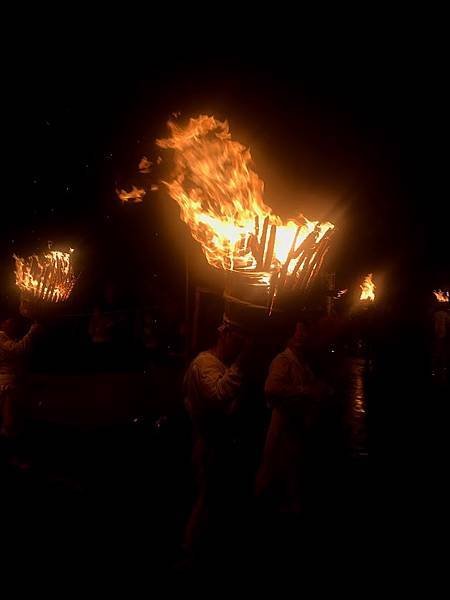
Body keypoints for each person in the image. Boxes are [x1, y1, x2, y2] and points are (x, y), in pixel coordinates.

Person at [183, 316, 251, 554]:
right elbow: (217, 394)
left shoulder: (218, 364)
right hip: (208, 445)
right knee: (205, 502)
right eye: (238, 339)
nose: (240, 345)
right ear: (224, 334)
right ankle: (189, 555)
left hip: (216, 444)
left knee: (214, 505)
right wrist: (243, 362)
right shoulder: (204, 364)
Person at [255, 319, 331, 513]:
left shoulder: (301, 362)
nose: (304, 335)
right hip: (282, 425)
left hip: (294, 426)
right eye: (300, 331)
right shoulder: (283, 360)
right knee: (274, 474)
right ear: (290, 336)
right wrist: (306, 390)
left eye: (305, 331)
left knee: (291, 475)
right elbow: (271, 388)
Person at [0, 307, 42, 438]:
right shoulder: (1, 337)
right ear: (3, 323)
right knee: (9, 418)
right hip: (6, 382)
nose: (12, 324)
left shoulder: (7, 338)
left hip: (10, 381)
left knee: (11, 416)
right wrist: (32, 332)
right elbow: (18, 350)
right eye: (9, 321)